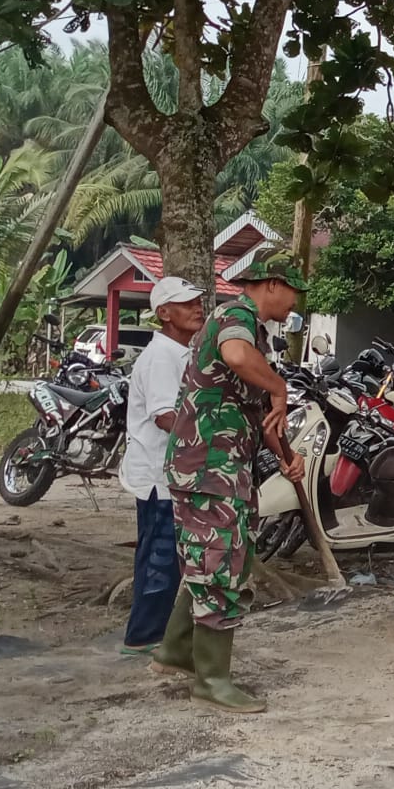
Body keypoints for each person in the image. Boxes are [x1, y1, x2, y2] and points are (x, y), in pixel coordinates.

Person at [156, 255, 307, 713]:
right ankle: (212, 681)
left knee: (211, 558)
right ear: (274, 285)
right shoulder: (234, 317)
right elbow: (236, 357)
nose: (297, 301)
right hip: (208, 468)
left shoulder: (254, 331)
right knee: (220, 565)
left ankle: (176, 652)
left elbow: (260, 415)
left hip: (224, 468)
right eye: (294, 290)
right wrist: (280, 386)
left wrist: (287, 457)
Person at [118, 276, 204, 656]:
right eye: (186, 304)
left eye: (197, 301)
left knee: (169, 558)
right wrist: (211, 441)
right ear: (164, 313)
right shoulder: (161, 357)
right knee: (159, 557)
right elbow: (165, 415)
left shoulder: (182, 353)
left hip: (174, 475)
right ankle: (143, 636)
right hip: (159, 476)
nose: (197, 308)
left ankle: (158, 632)